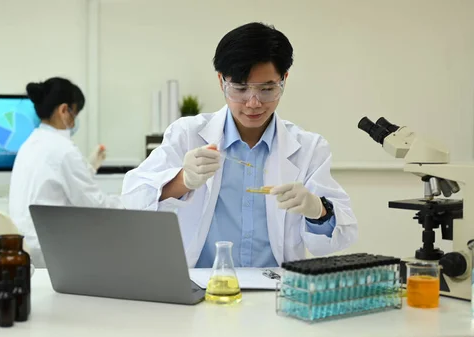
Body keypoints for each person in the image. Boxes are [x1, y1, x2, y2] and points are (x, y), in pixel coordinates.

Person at [121, 22, 357, 268]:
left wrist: (318, 210)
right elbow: (133, 199)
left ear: (284, 80)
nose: (253, 103)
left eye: (267, 89)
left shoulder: (309, 149)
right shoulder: (187, 134)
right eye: (241, 89)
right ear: (221, 81)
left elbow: (340, 237)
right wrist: (183, 180)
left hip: (275, 289)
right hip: (202, 285)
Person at [9, 77, 122, 267]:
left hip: (25, 247)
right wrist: (128, 200)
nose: (74, 120)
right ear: (64, 110)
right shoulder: (64, 149)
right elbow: (94, 206)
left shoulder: (30, 144)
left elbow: (55, 184)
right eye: (75, 114)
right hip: (49, 252)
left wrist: (90, 167)